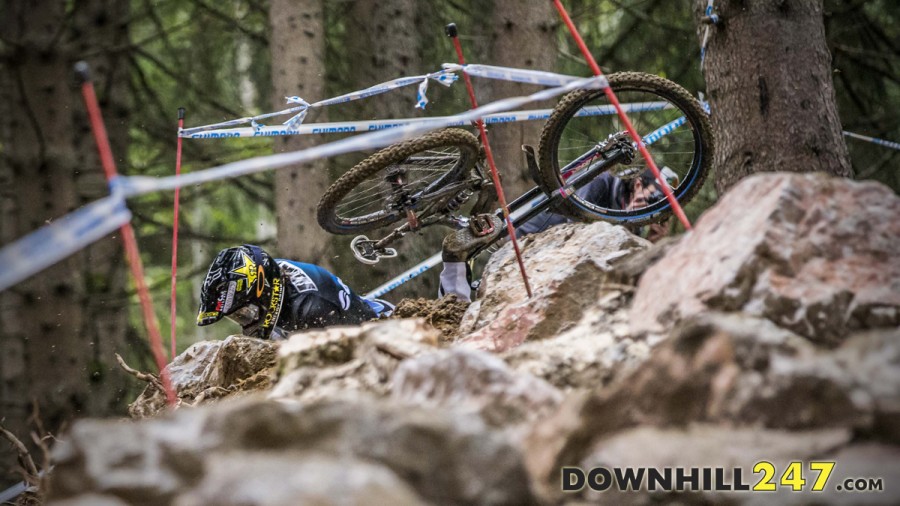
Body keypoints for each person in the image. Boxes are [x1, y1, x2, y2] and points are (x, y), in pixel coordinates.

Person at [437, 168, 676, 301]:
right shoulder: (603, 182)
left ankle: (459, 284)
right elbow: (573, 220)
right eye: (654, 199)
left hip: (555, 267)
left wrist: (651, 244)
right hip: (534, 242)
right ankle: (456, 278)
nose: (650, 209)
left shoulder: (633, 226)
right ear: (637, 184)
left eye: (660, 210)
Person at [197, 244, 394, 340]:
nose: (245, 321)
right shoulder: (275, 271)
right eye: (238, 317)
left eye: (244, 313)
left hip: (386, 335)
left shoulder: (311, 309)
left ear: (262, 291)